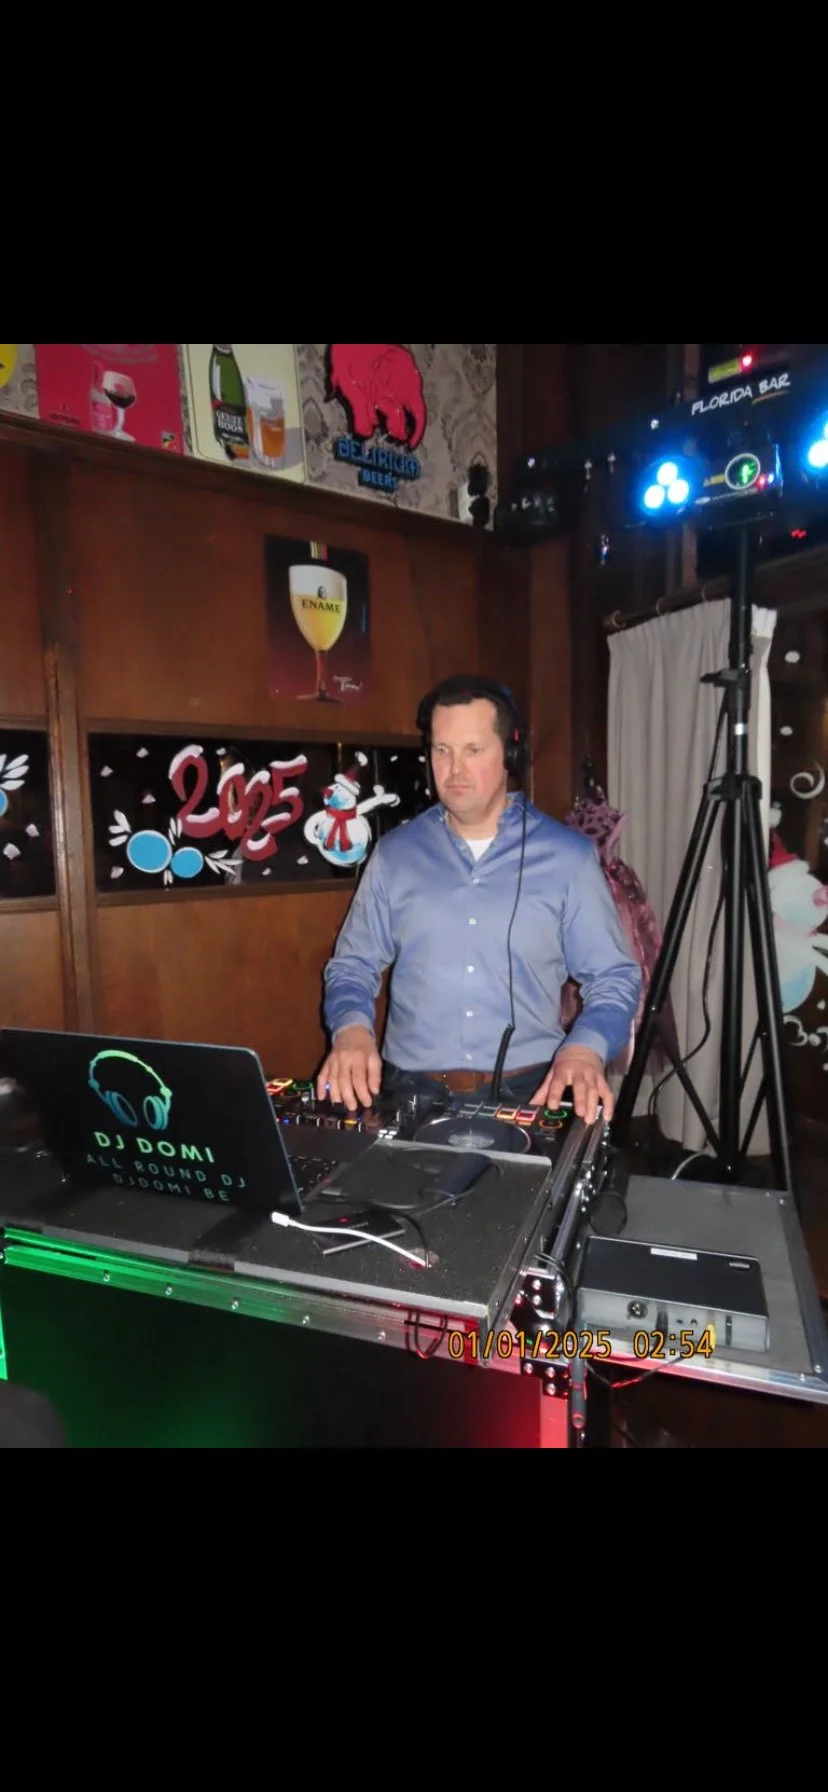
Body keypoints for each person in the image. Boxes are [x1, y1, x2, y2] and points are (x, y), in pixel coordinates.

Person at [316, 675, 642, 1125]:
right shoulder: (394, 855)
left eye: (473, 750)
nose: (454, 769)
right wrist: (351, 1030)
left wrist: (586, 1049)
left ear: (510, 754)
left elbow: (613, 976)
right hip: (408, 1089)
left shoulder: (568, 858)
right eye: (442, 749)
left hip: (531, 1091)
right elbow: (353, 964)